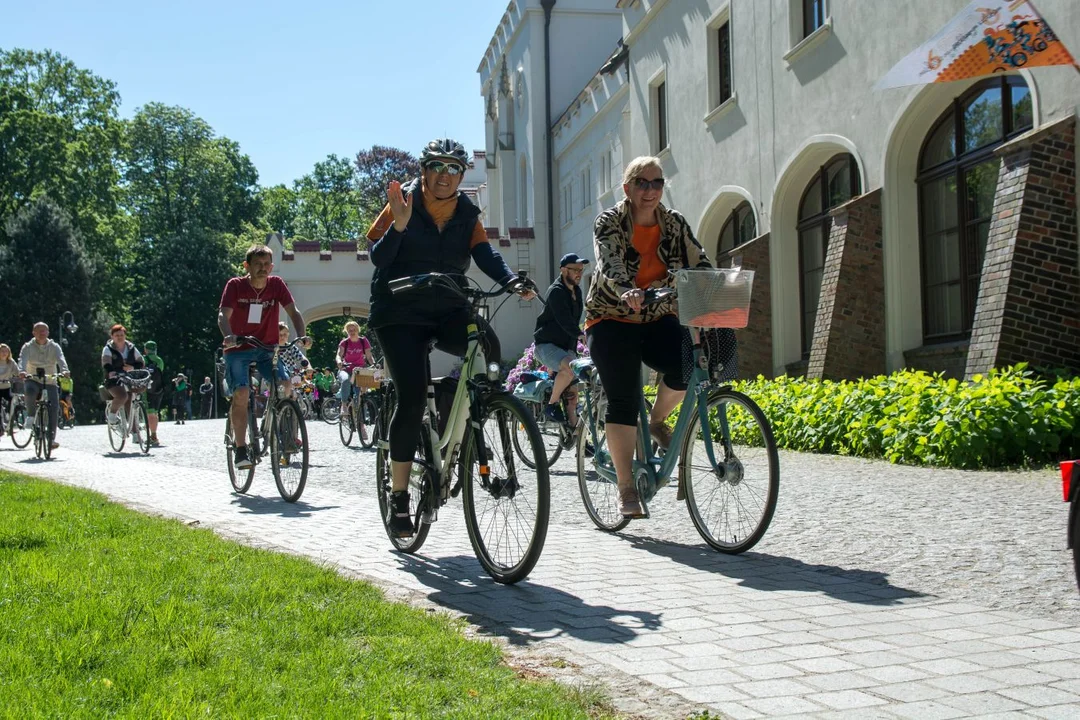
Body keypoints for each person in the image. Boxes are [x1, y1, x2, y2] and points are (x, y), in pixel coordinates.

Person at [365, 137, 534, 538]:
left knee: (487, 346)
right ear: (424, 171)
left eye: (453, 169)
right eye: (437, 167)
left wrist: (510, 279)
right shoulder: (401, 204)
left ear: (461, 175)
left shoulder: (466, 213)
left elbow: (484, 254)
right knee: (410, 396)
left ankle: (475, 407)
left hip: (447, 308)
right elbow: (377, 258)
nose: (444, 176)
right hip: (399, 312)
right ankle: (401, 498)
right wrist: (400, 226)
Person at [585, 156, 712, 518]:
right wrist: (627, 288)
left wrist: (716, 287)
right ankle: (626, 488)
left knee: (688, 364)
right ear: (627, 188)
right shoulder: (610, 221)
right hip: (611, 316)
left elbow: (698, 260)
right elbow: (609, 261)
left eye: (657, 183)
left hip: (656, 313)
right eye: (643, 183)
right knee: (623, 397)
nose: (651, 190)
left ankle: (655, 422)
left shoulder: (673, 223)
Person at [219, 242, 309, 469]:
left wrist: (302, 335)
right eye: (257, 264)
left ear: (272, 267)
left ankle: (281, 430)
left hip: (267, 349)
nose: (263, 268)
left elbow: (293, 311)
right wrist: (229, 336)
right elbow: (223, 314)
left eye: (267, 264)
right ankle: (241, 449)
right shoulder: (235, 286)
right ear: (246, 266)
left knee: (286, 384)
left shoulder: (276, 285)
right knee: (241, 392)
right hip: (238, 349)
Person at [533, 252, 589, 429]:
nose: (579, 273)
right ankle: (552, 405)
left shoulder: (577, 291)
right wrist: (580, 335)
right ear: (563, 270)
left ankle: (575, 435)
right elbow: (564, 319)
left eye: (581, 270)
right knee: (570, 368)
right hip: (546, 345)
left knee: (573, 396)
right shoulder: (556, 292)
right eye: (575, 270)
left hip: (566, 348)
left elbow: (575, 320)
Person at [18, 322, 70, 450]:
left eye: (44, 331)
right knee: (30, 390)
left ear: (48, 333)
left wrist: (65, 370)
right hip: (33, 378)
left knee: (54, 407)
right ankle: (30, 415)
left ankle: (51, 439)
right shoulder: (27, 347)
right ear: (33, 333)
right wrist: (22, 371)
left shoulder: (54, 346)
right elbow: (22, 360)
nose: (42, 333)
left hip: (50, 380)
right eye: (39, 331)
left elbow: (61, 359)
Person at [102, 324, 147, 443]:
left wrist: (132, 367)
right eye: (117, 335)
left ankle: (135, 434)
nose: (119, 337)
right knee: (122, 396)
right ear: (112, 336)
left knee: (130, 403)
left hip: (130, 378)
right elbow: (106, 362)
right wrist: (111, 371)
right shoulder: (108, 348)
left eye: (121, 335)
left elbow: (141, 361)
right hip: (114, 379)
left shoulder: (131, 347)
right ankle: (112, 416)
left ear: (125, 335)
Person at [335, 321, 375, 404]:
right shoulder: (344, 342)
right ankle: (344, 405)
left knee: (362, 392)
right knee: (346, 380)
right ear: (347, 332)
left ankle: (361, 410)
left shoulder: (363, 341)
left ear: (358, 330)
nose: (352, 332)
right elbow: (338, 355)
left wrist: (374, 365)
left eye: (354, 330)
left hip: (360, 369)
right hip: (346, 369)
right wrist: (339, 362)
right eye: (349, 330)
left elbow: (369, 357)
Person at [143, 340, 165, 445]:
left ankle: (153, 436)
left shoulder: (144, 359)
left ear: (146, 349)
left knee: (150, 412)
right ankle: (154, 434)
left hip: (148, 389)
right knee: (155, 412)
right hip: (159, 389)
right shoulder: (159, 360)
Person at [278, 322, 309, 396]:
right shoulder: (271, 348)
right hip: (277, 375)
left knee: (294, 390)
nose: (282, 337)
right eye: (279, 334)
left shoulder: (290, 347)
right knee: (274, 389)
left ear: (288, 335)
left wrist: (306, 365)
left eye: (285, 334)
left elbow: (300, 357)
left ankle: (295, 402)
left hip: (291, 373)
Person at [0, 343, 19, 422]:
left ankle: (12, 419)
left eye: (6, 351)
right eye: (2, 351)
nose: (4, 353)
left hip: (7, 387)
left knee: (13, 401)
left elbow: (17, 372)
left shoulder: (11, 362)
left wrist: (20, 375)